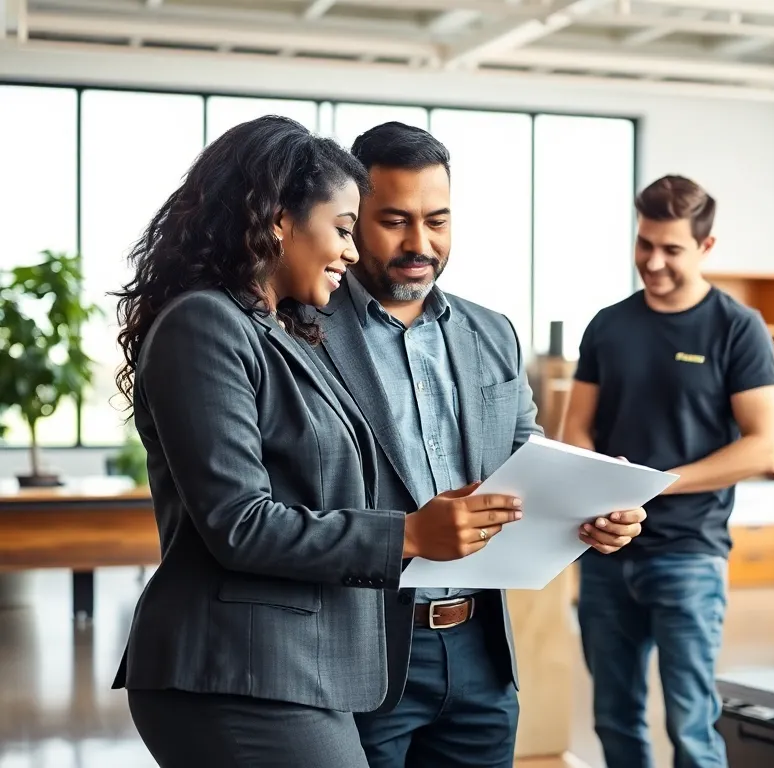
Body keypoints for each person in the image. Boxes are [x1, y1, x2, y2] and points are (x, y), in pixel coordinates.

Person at [110, 116, 498, 768]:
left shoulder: (284, 333)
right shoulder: (203, 325)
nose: (351, 251)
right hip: (233, 671)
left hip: (296, 669)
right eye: (344, 229)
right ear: (279, 221)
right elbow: (238, 523)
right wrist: (407, 534)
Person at [310, 121, 646, 768]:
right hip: (359, 648)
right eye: (395, 220)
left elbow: (526, 465)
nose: (421, 243)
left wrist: (594, 509)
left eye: (437, 220)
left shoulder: (491, 333)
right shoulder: (303, 330)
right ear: (352, 222)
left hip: (480, 651)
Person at [560, 174, 774, 768]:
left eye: (671, 249)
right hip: (607, 552)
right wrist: (600, 483)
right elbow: (575, 427)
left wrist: (655, 483)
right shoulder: (608, 324)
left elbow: (766, 448)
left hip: (689, 553)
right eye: (644, 244)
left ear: (707, 248)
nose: (653, 261)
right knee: (614, 717)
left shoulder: (738, 328)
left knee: (691, 724)